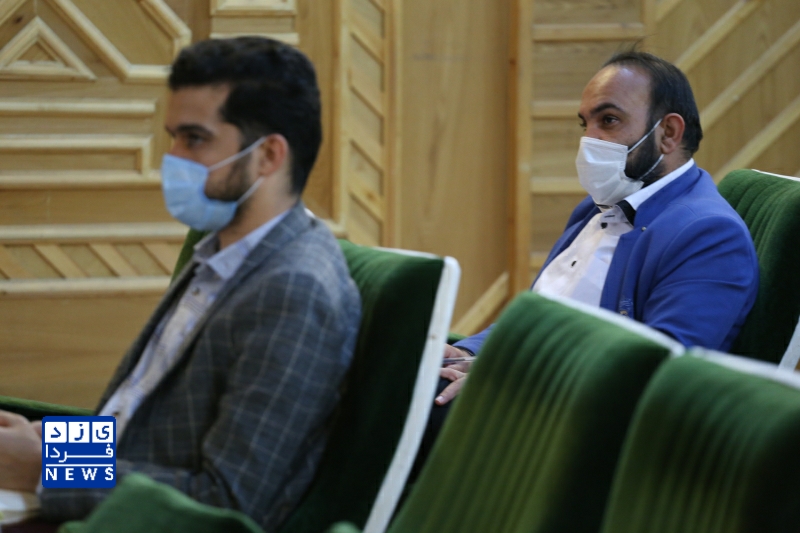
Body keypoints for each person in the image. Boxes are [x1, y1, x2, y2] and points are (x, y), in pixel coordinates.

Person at [0, 37, 361, 531]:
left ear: (268, 155)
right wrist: (38, 443)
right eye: (173, 137)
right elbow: (146, 434)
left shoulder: (294, 291)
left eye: (194, 139)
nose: (172, 158)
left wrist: (44, 469)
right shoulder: (221, 250)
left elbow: (227, 502)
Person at [436, 51, 758, 405]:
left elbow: (657, 374)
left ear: (668, 133)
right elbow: (544, 315)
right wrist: (466, 354)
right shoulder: (597, 206)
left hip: (571, 415)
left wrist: (505, 380)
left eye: (609, 120)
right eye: (585, 124)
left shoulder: (710, 235)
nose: (589, 140)